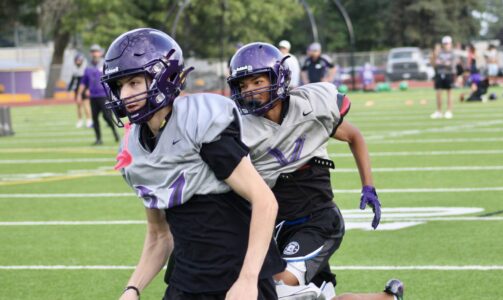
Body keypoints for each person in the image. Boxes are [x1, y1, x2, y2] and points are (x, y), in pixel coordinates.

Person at [101, 28, 285, 300]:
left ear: (165, 77)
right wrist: (133, 288)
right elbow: (159, 235)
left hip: (236, 276)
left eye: (134, 83)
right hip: (186, 280)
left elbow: (265, 201)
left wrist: (247, 280)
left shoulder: (200, 121)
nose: (125, 94)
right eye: (119, 86)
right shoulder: (133, 148)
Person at [227, 42, 396, 299]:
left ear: (277, 78)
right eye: (243, 85)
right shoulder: (243, 128)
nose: (250, 91)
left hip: (318, 220)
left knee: (279, 287)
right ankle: (388, 297)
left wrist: (368, 186)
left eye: (257, 81)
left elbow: (354, 136)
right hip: (279, 226)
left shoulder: (309, 107)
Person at [77, 44, 119, 145]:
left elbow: (112, 78)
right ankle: (98, 139)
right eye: (93, 51)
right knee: (95, 118)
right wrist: (79, 94)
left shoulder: (106, 64)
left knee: (107, 117)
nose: (94, 53)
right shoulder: (88, 67)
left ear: (100, 52)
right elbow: (84, 82)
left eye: (96, 51)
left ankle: (115, 133)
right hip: (93, 96)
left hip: (104, 95)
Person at [431, 36, 456, 119]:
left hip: (449, 74)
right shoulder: (439, 53)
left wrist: (442, 63)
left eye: (448, 43)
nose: (446, 45)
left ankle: (449, 111)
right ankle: (439, 111)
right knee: (438, 93)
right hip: (439, 74)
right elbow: (435, 64)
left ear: (450, 44)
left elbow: (450, 65)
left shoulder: (452, 53)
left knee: (449, 92)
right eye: (445, 44)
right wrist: (434, 55)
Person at [68, 53, 92, 128]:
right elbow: (72, 80)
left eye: (79, 60)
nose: (78, 62)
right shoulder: (74, 68)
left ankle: (89, 121)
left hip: (85, 89)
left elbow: (88, 80)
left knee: (86, 106)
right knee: (78, 106)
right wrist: (69, 90)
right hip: (77, 90)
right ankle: (80, 121)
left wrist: (88, 89)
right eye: (76, 60)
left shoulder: (86, 68)